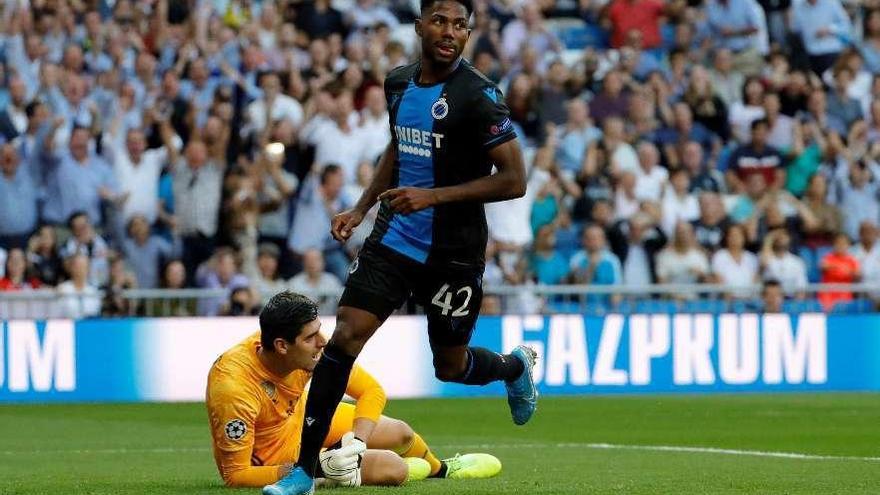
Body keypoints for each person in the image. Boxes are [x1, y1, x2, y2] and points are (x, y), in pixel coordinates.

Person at [264, 1, 536, 493]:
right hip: (396, 237)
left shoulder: (479, 96)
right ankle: (305, 469)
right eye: (440, 21)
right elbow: (399, 147)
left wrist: (431, 196)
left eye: (460, 25)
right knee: (345, 335)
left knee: (449, 366)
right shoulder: (397, 83)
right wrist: (362, 207)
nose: (450, 32)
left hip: (455, 251)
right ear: (419, 26)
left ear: (468, 33)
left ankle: (514, 366)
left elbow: (515, 179)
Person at [208, 292, 500, 489]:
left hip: (302, 419)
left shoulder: (298, 349)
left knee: (401, 432)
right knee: (394, 469)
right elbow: (235, 475)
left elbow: (371, 390)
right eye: (312, 337)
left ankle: (441, 470)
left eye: (320, 330)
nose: (323, 341)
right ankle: (328, 473)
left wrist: (358, 442)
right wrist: (317, 468)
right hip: (278, 457)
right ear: (283, 346)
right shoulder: (234, 388)